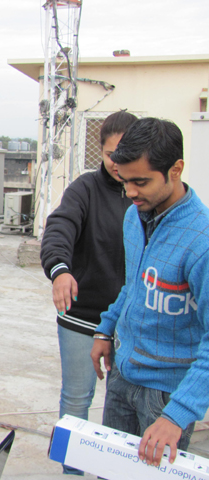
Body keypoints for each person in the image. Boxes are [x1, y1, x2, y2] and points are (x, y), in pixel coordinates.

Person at [91, 117, 209, 468]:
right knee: (111, 471)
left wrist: (178, 414)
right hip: (122, 375)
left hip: (165, 396)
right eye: (124, 180)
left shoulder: (201, 242)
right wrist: (106, 328)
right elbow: (134, 285)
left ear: (176, 169)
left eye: (140, 182)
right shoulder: (134, 217)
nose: (130, 192)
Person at [41, 110, 137, 475]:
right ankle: (72, 472)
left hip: (130, 323)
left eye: (124, 154)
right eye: (111, 154)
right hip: (82, 318)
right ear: (101, 150)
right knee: (76, 401)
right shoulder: (85, 189)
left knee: (123, 407)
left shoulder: (144, 194)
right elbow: (60, 227)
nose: (117, 163)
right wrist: (60, 270)